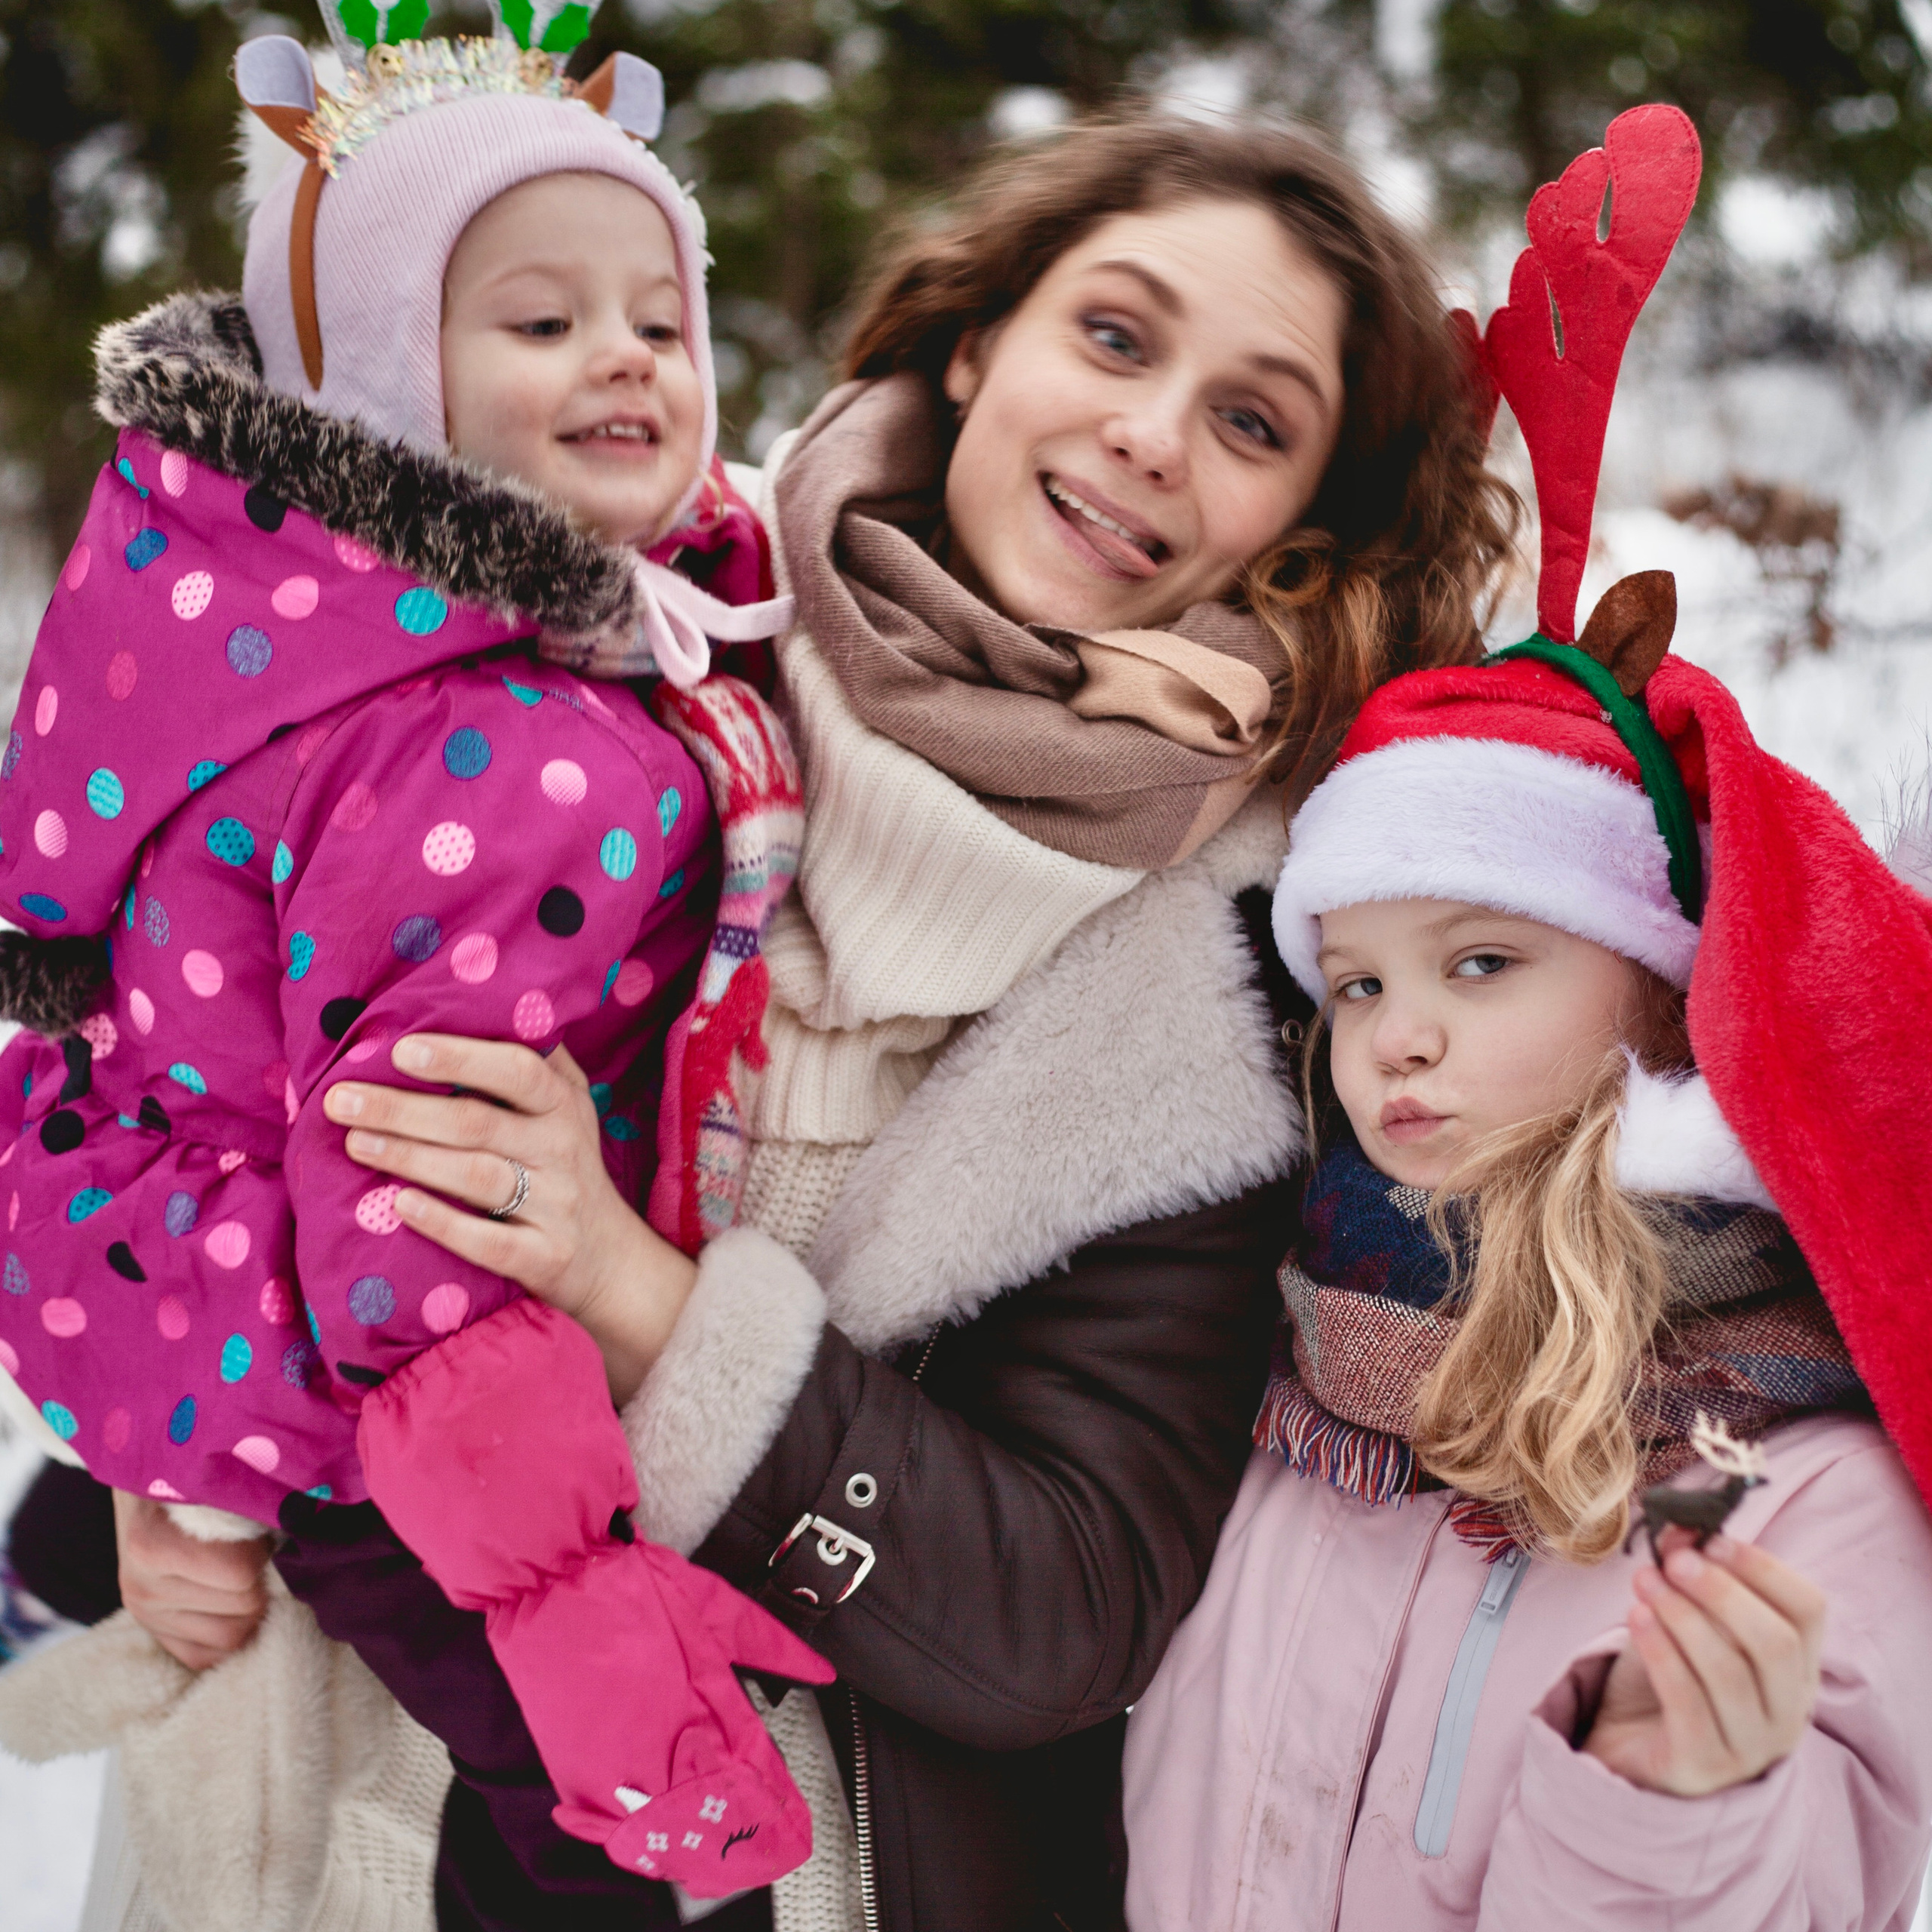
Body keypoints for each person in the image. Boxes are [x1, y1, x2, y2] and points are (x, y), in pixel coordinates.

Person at [287, 108, 1518, 1932]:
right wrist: (179, 1473)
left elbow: (1063, 1610)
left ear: (1299, 530)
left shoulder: (1245, 989)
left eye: (1250, 421)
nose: (1149, 433)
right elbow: (222, 1069)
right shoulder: (591, 654)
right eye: (1112, 334)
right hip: (331, 1826)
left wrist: (644, 1297)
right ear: (976, 339)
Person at [0, 9, 835, 1909]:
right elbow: (418, 1182)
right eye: (538, 323)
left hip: (192, 1270)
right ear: (385, 384)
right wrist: (563, 1575)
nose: (624, 352)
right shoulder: (524, 752)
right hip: (383, 1389)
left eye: (659, 317)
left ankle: (56, 1556)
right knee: (608, 1830)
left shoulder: (302, 614)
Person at [1122, 104, 1932, 1932]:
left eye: (1483, 961)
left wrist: (1678, 1801)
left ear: (1658, 989)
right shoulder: (1286, 1370)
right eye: (1356, 981)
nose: (1393, 1037)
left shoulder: (1800, 1483)